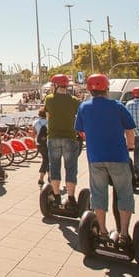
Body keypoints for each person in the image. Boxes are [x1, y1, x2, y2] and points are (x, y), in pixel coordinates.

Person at [74, 74, 137, 246]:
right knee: (124, 192)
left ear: (90, 90)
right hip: (118, 156)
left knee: (98, 193)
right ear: (106, 89)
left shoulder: (84, 107)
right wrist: (130, 147)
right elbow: (130, 130)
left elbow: (80, 131)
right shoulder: (117, 106)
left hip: (96, 157)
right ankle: (124, 234)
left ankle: (102, 231)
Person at [44, 74, 81, 207]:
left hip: (53, 137)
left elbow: (48, 117)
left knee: (54, 166)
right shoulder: (75, 100)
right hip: (70, 137)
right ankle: (71, 198)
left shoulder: (49, 99)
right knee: (71, 168)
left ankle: (57, 196)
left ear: (55, 85)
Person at [34, 107, 49, 187]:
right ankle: (41, 179)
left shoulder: (36, 122)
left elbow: (34, 134)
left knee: (46, 159)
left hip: (39, 144)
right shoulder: (49, 122)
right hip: (47, 143)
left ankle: (50, 177)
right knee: (46, 160)